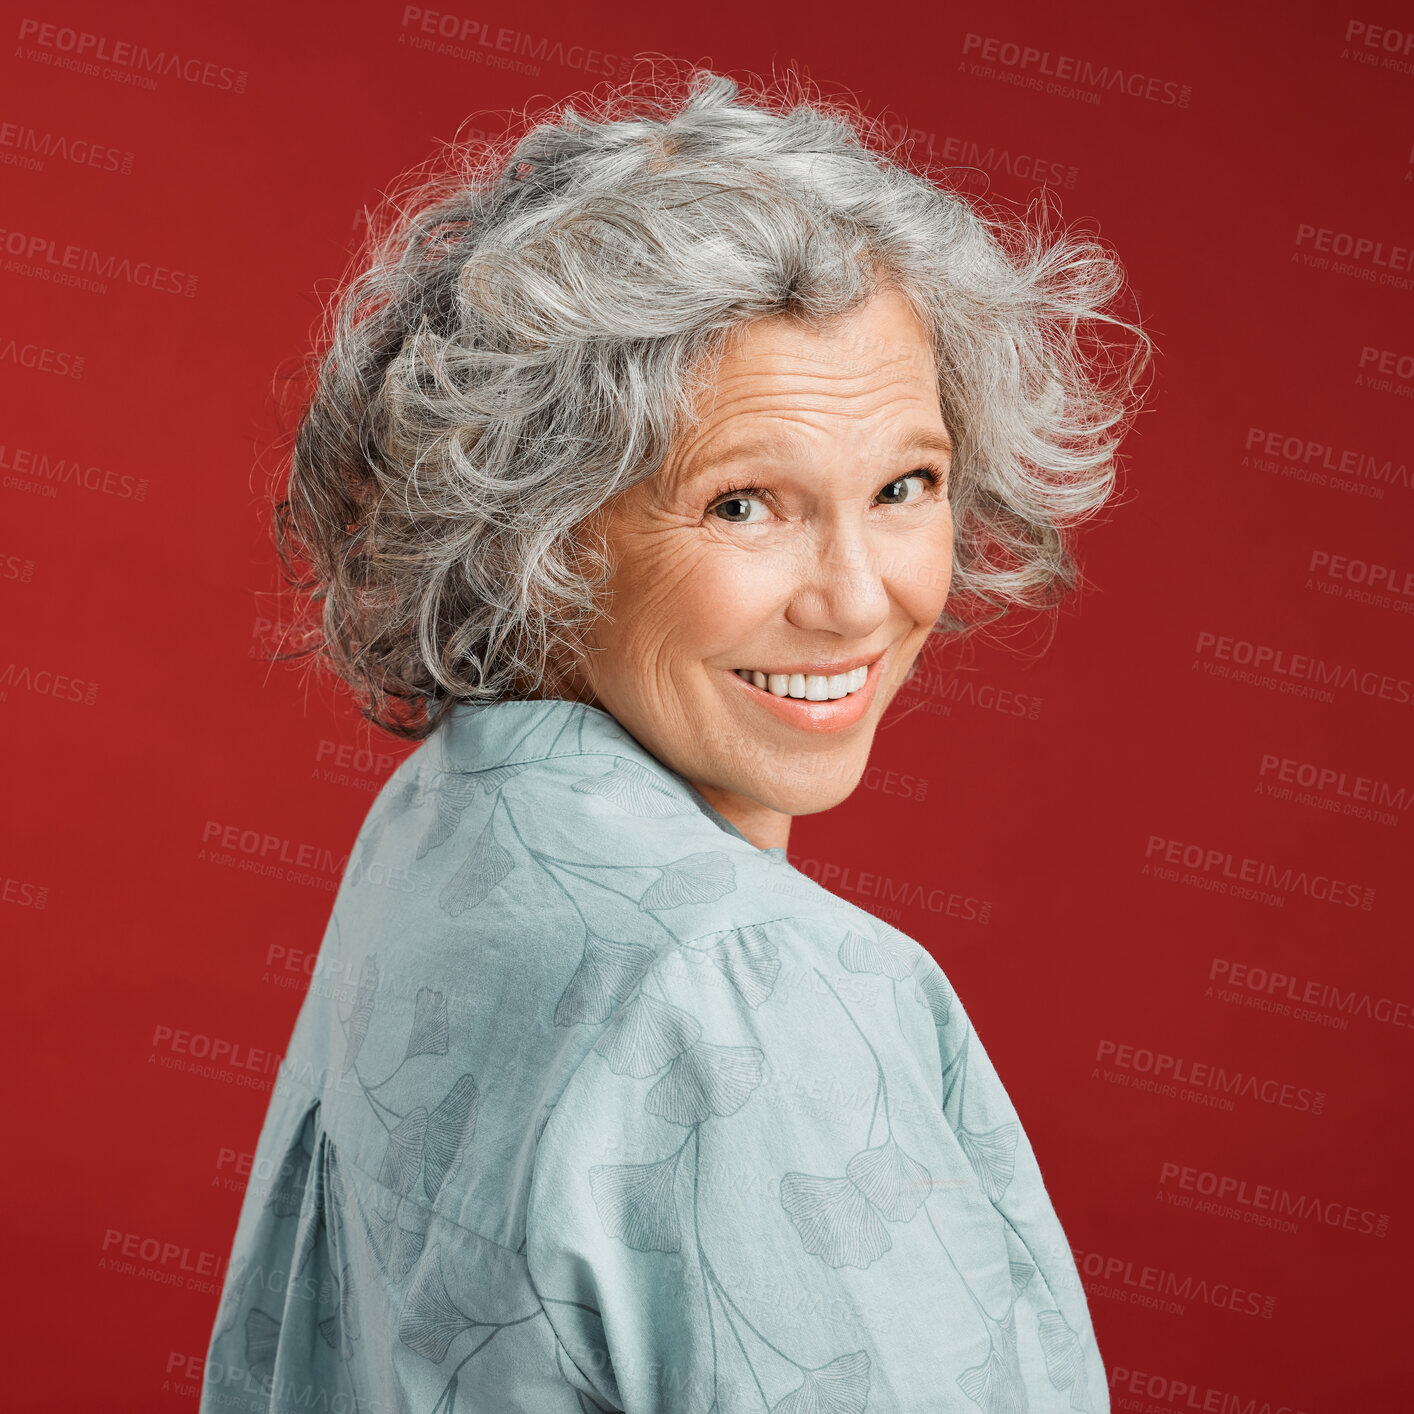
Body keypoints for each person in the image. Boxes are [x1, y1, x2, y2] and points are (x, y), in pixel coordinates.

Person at [202, 66, 1150, 1414]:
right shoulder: (746, 986)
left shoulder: (447, 828)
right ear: (538, 531)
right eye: (744, 504)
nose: (854, 596)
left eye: (903, 485)